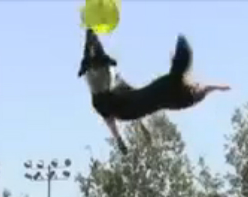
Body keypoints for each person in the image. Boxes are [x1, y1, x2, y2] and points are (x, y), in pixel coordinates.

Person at [78, 29, 230, 154]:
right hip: (129, 103)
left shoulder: (111, 91)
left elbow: (116, 118)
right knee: (145, 93)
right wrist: (122, 139)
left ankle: (92, 42)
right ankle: (92, 44)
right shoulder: (181, 94)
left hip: (128, 102)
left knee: (130, 92)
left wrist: (124, 138)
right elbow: (114, 120)